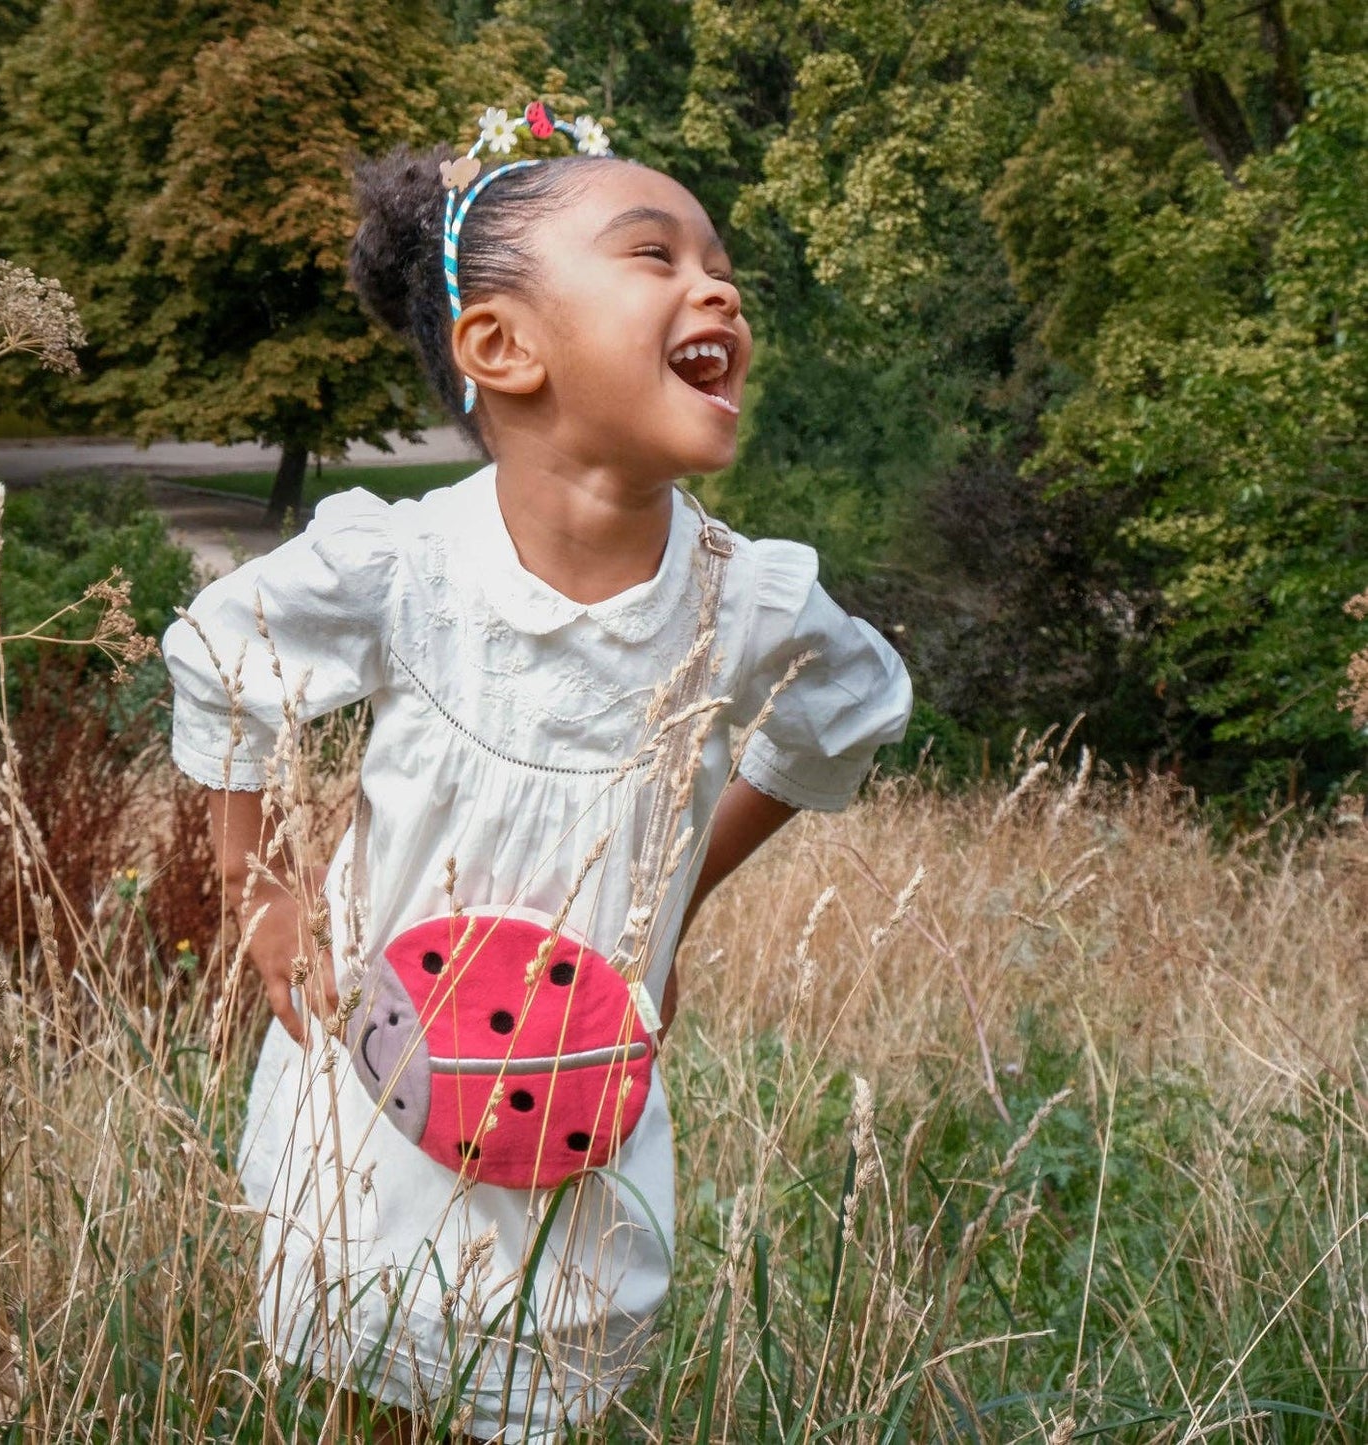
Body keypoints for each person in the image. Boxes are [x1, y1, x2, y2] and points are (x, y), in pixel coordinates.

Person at [162, 103, 912, 1444]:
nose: (716, 285)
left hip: (577, 1107)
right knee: (362, 1392)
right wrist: (257, 883)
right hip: (377, 1088)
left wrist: (672, 903)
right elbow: (229, 653)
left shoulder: (752, 604)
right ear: (500, 346)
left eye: (719, 260)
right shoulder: (406, 567)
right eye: (652, 254)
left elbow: (834, 725)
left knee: (533, 1398)